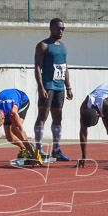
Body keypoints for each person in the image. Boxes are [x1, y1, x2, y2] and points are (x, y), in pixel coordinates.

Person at [34, 17, 74, 162]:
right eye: (58, 28)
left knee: (58, 118)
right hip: (48, 86)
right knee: (43, 116)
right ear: (51, 28)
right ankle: (38, 149)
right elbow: (38, 67)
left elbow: (65, 67)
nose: (61, 31)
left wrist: (68, 86)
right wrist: (41, 86)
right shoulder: (43, 46)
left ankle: (56, 149)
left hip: (59, 87)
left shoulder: (63, 46)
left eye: (63, 28)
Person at [0, 88, 40, 165]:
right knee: (9, 137)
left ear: (3, 118)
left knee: (15, 129)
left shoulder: (13, 112)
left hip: (22, 100)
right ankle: (25, 148)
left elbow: (22, 133)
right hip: (6, 105)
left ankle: (30, 149)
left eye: (0, 125)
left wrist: (34, 157)